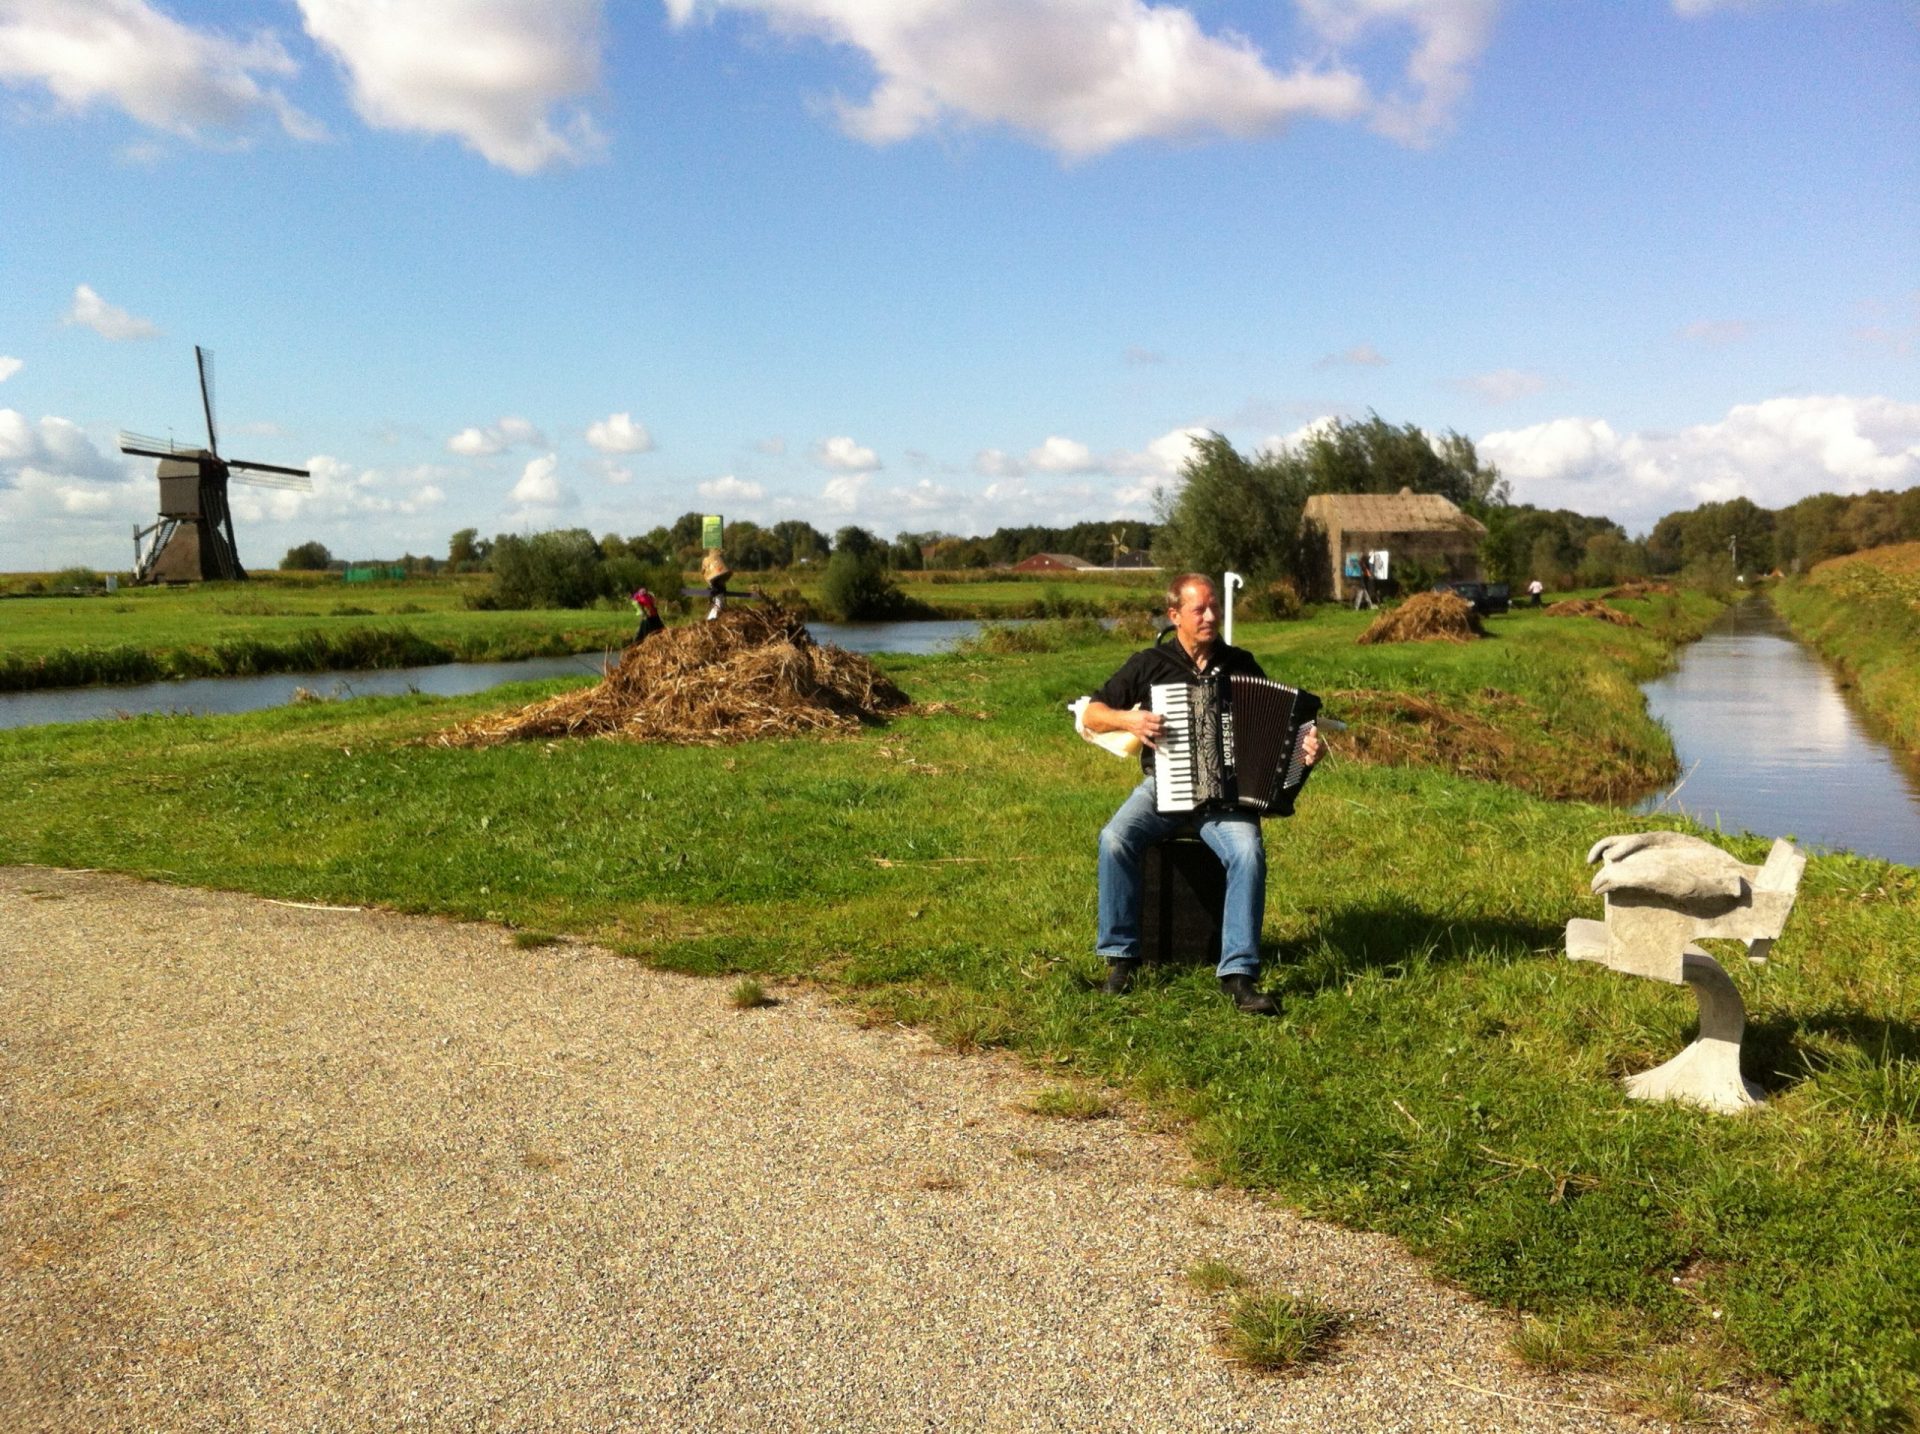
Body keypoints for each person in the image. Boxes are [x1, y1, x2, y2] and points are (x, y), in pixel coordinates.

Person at [1077, 574, 1322, 1015]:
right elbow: (1092, 714)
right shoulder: (1150, 663)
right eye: (1199, 610)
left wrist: (1305, 752)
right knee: (1115, 838)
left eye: (1214, 608)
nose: (1211, 617)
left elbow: (1282, 733)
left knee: (1248, 853)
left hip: (1227, 801)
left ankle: (1238, 974)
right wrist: (1129, 721)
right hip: (1163, 789)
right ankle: (1120, 960)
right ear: (1175, 617)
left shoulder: (1241, 663)